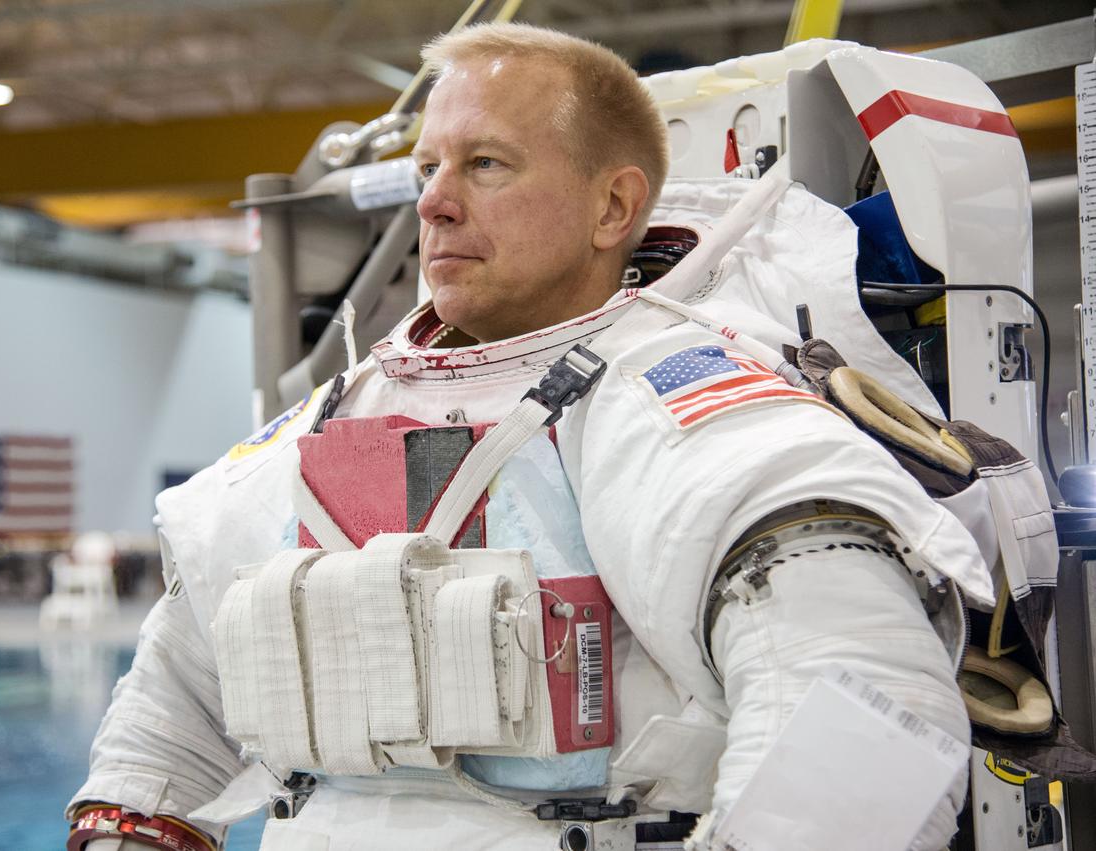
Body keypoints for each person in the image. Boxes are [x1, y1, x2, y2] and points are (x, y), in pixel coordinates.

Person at [69, 23, 988, 851]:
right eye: (429, 167)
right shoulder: (332, 417)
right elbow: (173, 709)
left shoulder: (678, 403)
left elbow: (862, 706)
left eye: (486, 165)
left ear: (611, 209)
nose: (433, 202)